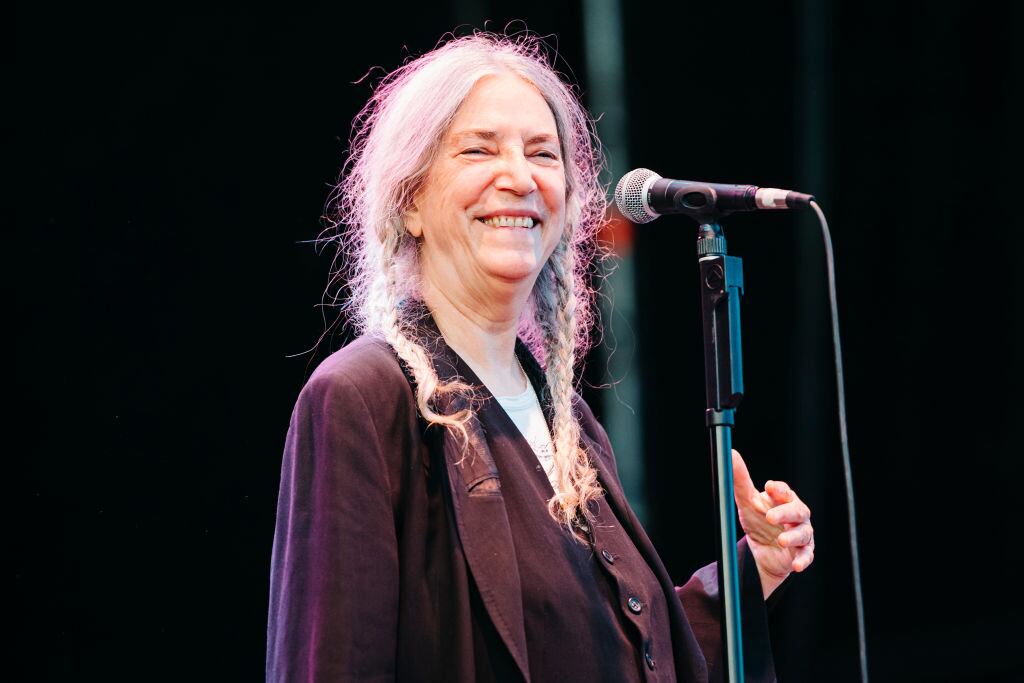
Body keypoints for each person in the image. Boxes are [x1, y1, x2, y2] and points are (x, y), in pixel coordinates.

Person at [266, 31, 814, 682]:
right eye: (479, 149)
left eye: (542, 153)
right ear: (410, 201)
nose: (520, 177)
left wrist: (754, 566)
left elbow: (627, 659)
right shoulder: (363, 396)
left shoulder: (569, 423)